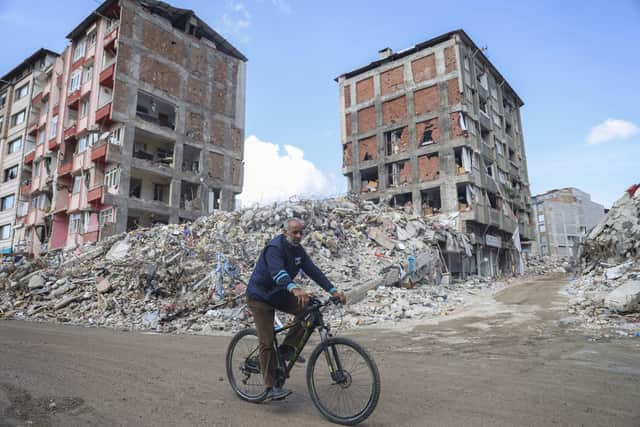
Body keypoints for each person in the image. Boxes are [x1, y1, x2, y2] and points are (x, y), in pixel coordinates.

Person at [246, 217, 346, 402]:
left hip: (278, 293)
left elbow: (313, 271)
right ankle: (269, 387)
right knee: (267, 341)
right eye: (295, 232)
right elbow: (278, 273)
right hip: (260, 296)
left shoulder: (298, 250)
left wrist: (333, 290)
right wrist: (294, 288)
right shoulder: (274, 248)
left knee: (309, 308)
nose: (299, 235)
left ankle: (286, 349)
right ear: (285, 232)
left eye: (301, 232)